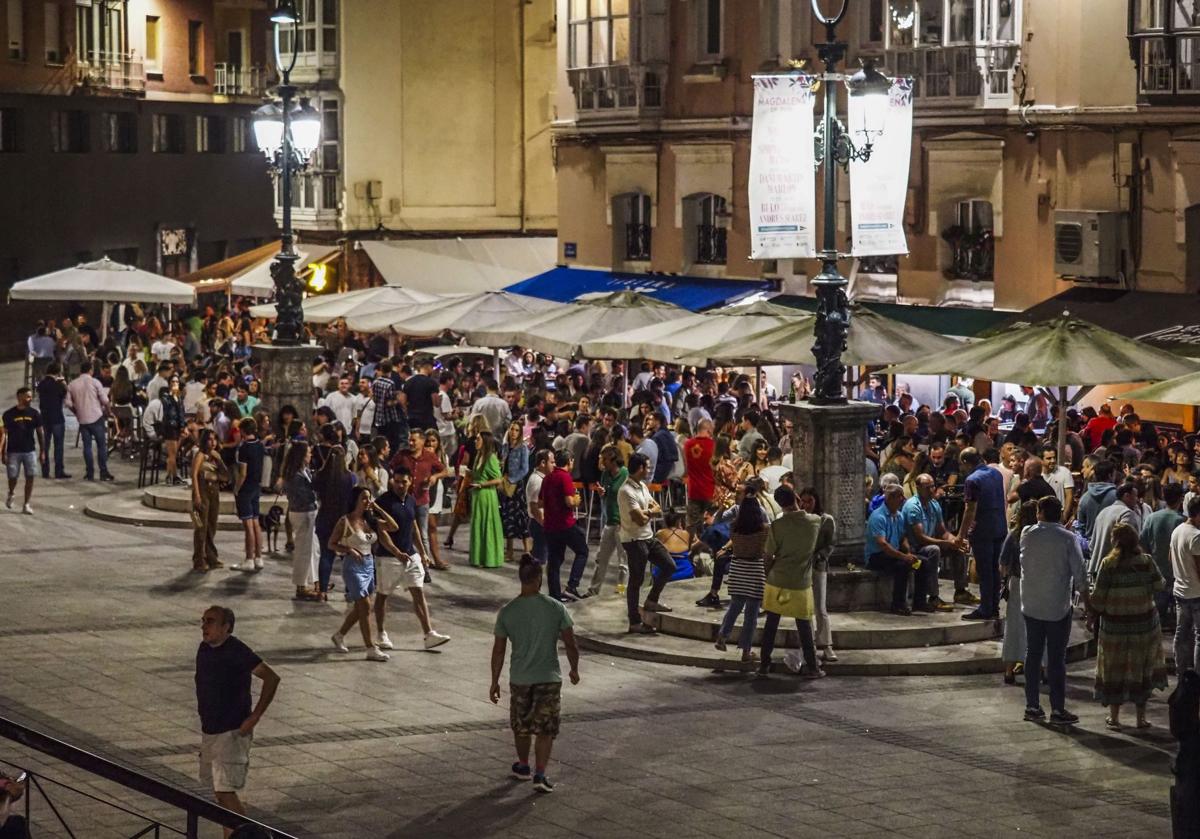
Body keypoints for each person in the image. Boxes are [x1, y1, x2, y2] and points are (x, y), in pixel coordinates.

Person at [490, 554, 581, 794]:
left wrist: (494, 682)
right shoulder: (555, 607)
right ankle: (540, 773)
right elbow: (571, 642)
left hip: (520, 678)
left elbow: (499, 651)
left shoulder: (507, 612)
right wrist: (574, 668)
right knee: (545, 728)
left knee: (521, 727)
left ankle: (523, 766)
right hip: (549, 677)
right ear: (539, 579)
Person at [195, 605, 280, 838]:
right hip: (211, 731)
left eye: (210, 622)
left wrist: (255, 716)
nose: (204, 626)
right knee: (220, 794)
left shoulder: (237, 651)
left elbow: (271, 678)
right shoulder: (204, 649)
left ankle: (252, 837)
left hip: (231, 732)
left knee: (226, 793)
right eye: (203, 621)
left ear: (226, 628)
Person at [1019, 496, 1090, 725]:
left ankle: (1032, 705)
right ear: (1059, 513)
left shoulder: (1027, 533)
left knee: (1033, 654)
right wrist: (1089, 605)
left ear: (1039, 511)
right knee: (1057, 659)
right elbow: (1080, 574)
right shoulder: (1069, 539)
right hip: (1057, 606)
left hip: (1031, 603)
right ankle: (1057, 709)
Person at [1090, 522, 1168, 730]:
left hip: (1114, 627)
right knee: (1141, 668)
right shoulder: (1146, 562)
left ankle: (1114, 718)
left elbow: (1098, 598)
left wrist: (1093, 614)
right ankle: (1140, 719)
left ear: (1114, 542)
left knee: (1114, 668)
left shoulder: (1108, 564)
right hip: (1144, 625)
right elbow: (1160, 585)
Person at [372, 466, 452, 651]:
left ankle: (429, 633)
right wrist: (394, 551)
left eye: (404, 482)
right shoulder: (384, 502)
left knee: (418, 592)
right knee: (383, 595)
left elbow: (414, 526)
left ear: (410, 482)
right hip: (388, 557)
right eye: (397, 481)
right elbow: (380, 531)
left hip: (410, 554)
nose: (400, 485)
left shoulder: (410, 500)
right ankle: (381, 633)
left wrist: (423, 552)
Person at [330, 486, 396, 661]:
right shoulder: (345, 521)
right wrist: (349, 549)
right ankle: (370, 648)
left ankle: (339, 634)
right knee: (365, 606)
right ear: (355, 500)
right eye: (364, 498)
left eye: (369, 498)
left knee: (362, 607)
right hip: (353, 566)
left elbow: (393, 526)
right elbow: (332, 543)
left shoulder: (370, 520)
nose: (367, 502)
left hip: (369, 563)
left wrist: (378, 509)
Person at [618, 453, 675, 631]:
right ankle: (634, 621)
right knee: (636, 580)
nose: (650, 470)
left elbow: (657, 508)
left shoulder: (642, 486)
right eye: (648, 467)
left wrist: (648, 512)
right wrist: (649, 512)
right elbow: (640, 519)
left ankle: (651, 600)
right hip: (634, 540)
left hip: (648, 537)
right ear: (641, 468)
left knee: (669, 565)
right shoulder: (626, 491)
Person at [714, 494, 769, 663]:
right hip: (755, 569)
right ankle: (746, 651)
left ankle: (722, 636)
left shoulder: (734, 528)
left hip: (738, 569)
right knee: (751, 614)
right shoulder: (764, 529)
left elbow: (718, 521)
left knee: (734, 606)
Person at [958, 448, 1008, 620]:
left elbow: (970, 510)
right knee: (994, 570)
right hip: (999, 527)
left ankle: (986, 608)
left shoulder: (972, 480)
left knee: (985, 571)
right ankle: (994, 606)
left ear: (965, 462)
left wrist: (961, 535)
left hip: (983, 531)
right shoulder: (996, 474)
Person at [900, 475, 959, 613]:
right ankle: (933, 596)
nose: (932, 490)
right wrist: (944, 543)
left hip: (931, 543)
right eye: (928, 487)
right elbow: (921, 538)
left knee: (957, 548)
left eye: (933, 486)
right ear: (918, 488)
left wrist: (954, 540)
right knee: (934, 550)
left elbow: (942, 531)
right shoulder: (913, 507)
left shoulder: (934, 504)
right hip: (915, 548)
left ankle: (961, 590)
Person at [539, 450, 589, 601]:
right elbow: (569, 502)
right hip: (565, 524)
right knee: (582, 551)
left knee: (554, 561)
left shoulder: (547, 478)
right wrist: (576, 500)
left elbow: (540, 502)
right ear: (569, 461)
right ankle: (572, 586)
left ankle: (554, 595)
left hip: (549, 525)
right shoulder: (565, 477)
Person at [864, 486, 922, 616]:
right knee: (902, 566)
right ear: (890, 498)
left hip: (893, 553)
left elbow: (902, 537)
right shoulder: (878, 516)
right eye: (899, 496)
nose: (902, 499)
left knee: (922, 562)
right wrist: (903, 557)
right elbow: (883, 544)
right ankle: (898, 604)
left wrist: (908, 552)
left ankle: (920, 601)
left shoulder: (899, 515)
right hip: (876, 556)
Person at [1000, 500, 1039, 685]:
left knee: (1013, 626)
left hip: (1017, 582)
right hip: (1037, 584)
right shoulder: (1040, 536)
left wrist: (1005, 581)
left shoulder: (1015, 535)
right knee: (1036, 626)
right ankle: (1038, 667)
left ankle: (1009, 669)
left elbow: (1003, 561)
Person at [1142, 481, 1185, 630]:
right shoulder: (1182, 521)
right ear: (1181, 499)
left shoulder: (1151, 518)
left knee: (1155, 616)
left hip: (1155, 570)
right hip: (1177, 573)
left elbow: (1143, 543)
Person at [586, 443, 628, 597]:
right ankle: (593, 590)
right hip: (609, 522)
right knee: (601, 558)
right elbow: (607, 495)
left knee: (623, 562)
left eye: (604, 459)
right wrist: (602, 493)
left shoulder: (625, 474)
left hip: (622, 524)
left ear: (612, 459)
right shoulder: (605, 475)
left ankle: (621, 591)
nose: (602, 462)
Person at [282, 441, 321, 601]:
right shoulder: (295, 476)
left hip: (309, 512)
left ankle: (314, 581)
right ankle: (301, 586)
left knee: (313, 549)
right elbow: (305, 495)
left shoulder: (304, 471)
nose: (310, 455)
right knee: (303, 551)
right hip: (302, 512)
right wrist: (316, 492)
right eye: (308, 453)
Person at [65, 360, 114, 481]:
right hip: (96, 417)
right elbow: (105, 400)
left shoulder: (72, 384)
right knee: (101, 446)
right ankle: (103, 472)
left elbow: (68, 403)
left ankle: (90, 473)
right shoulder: (95, 382)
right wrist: (109, 412)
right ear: (90, 370)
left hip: (82, 419)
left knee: (87, 447)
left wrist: (76, 412)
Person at [1, 387, 44, 516]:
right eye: (27, 396)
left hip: (29, 450)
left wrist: (42, 451)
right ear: (19, 397)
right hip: (13, 451)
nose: (30, 399)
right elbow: (4, 435)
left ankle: (26, 504)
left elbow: (40, 432)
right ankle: (11, 492)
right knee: (12, 477)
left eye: (31, 396)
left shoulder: (34, 413)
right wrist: (3, 453)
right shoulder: (8, 414)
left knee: (30, 477)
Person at [230, 418, 265, 573]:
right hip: (256, 486)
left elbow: (242, 472)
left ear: (243, 431)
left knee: (248, 524)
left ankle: (249, 559)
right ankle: (259, 557)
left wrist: (237, 488)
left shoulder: (244, 448)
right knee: (256, 522)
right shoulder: (259, 445)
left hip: (246, 488)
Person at [1170, 495, 1200, 677]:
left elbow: (1170, 557)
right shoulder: (1196, 536)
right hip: (1196, 592)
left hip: (1180, 590)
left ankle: (1181, 672)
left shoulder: (1178, 530)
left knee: (1181, 633)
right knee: (1198, 636)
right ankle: (1197, 676)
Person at [191, 430, 227, 572]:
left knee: (212, 525)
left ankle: (211, 556)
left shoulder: (215, 456)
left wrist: (218, 460)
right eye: (210, 439)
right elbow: (193, 475)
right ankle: (199, 559)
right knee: (201, 527)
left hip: (214, 492)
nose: (212, 442)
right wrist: (197, 495)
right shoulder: (200, 455)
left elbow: (225, 475)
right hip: (203, 491)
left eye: (214, 439)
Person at [469, 429, 506, 569]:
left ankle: (489, 557)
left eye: (478, 439)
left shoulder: (490, 458)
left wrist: (482, 484)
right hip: (477, 495)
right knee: (478, 525)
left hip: (486, 495)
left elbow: (498, 479)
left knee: (487, 525)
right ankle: (478, 557)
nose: (475, 441)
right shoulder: (479, 456)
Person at [499, 420, 532, 562]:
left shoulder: (523, 448)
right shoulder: (505, 446)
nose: (513, 432)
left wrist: (513, 479)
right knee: (507, 518)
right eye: (512, 429)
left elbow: (525, 469)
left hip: (516, 486)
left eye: (517, 430)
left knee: (520, 517)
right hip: (505, 483)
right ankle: (509, 551)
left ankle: (527, 551)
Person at [684, 419, 716, 543]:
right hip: (710, 491)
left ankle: (690, 552)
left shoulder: (687, 444)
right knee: (710, 524)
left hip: (694, 490)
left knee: (692, 525)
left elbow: (687, 467)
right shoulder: (714, 445)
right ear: (708, 430)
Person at [35, 362, 69, 479]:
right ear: (58, 372)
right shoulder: (58, 385)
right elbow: (65, 395)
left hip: (44, 418)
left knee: (45, 445)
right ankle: (59, 471)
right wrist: (64, 384)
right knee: (58, 445)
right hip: (57, 418)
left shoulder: (41, 384)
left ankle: (45, 471)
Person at [526, 448, 552, 564]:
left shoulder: (540, 478)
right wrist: (544, 523)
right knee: (539, 561)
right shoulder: (537, 481)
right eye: (552, 462)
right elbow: (534, 506)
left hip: (539, 523)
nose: (554, 465)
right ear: (543, 463)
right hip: (539, 524)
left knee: (540, 558)